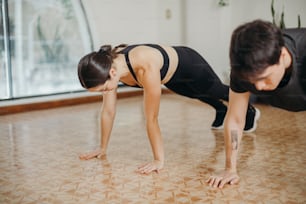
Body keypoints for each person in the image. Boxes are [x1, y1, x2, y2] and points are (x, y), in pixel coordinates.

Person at [77, 43, 259, 174]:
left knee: (218, 90)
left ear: (113, 73)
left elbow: (152, 118)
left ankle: (249, 110)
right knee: (194, 94)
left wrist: (158, 160)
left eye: (104, 89)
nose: (105, 92)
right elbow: (108, 111)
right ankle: (220, 110)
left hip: (189, 64)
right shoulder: (108, 67)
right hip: (171, 75)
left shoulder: (144, 67)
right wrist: (102, 148)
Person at [207, 19, 306, 188]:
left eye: (264, 78)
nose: (258, 87)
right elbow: (236, 119)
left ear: (282, 56)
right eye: (251, 81)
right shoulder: (243, 67)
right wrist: (230, 168)